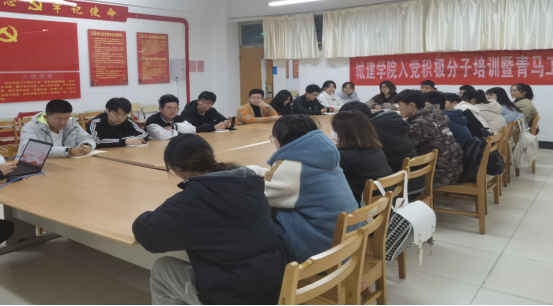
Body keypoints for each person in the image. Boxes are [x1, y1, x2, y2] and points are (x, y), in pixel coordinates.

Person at [132, 134, 293, 305]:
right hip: (278, 281)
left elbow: (146, 233)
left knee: (162, 268)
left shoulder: (188, 203)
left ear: (176, 169)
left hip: (237, 295)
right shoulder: (249, 180)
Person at [246, 115, 358, 263]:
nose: (274, 142)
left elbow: (260, 193)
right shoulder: (320, 157)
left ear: (283, 136)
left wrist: (242, 172)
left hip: (321, 250)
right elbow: (279, 178)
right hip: (345, 242)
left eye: (273, 138)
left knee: (251, 216)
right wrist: (253, 171)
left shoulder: (294, 167)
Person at [339, 102, 423, 200]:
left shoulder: (374, 131)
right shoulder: (386, 123)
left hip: (401, 189)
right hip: (413, 181)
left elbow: (354, 157)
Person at [395, 90, 463, 188]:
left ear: (411, 105)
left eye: (400, 105)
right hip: (452, 168)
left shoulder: (422, 123)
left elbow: (403, 147)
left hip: (440, 174)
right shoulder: (433, 115)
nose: (398, 109)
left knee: (391, 172)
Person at [332, 111, 393, 205]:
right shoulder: (377, 149)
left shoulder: (342, 156)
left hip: (362, 205)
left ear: (343, 132)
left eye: (334, 129)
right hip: (383, 201)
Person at [18, 100, 96, 158]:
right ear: (46, 117)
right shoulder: (31, 128)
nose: (63, 122)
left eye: (66, 118)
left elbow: (86, 138)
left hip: (66, 164)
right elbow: (33, 149)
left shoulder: (71, 123)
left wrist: (87, 145)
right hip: (35, 165)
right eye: (58, 119)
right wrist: (67, 151)